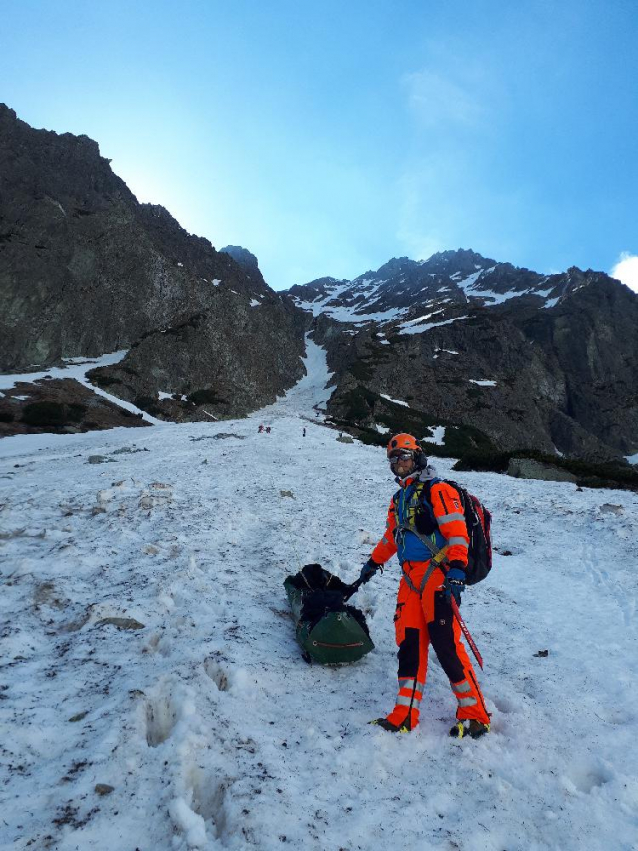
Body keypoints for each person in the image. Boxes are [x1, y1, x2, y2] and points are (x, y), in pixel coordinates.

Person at [360, 433, 490, 738]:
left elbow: (458, 533)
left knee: (446, 646)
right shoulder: (399, 499)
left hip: (438, 576)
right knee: (409, 647)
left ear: (417, 456)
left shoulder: (439, 490)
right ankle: (403, 716)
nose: (398, 464)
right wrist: (373, 563)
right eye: (393, 460)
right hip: (409, 581)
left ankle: (475, 716)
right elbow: (392, 537)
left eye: (404, 457)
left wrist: (457, 571)